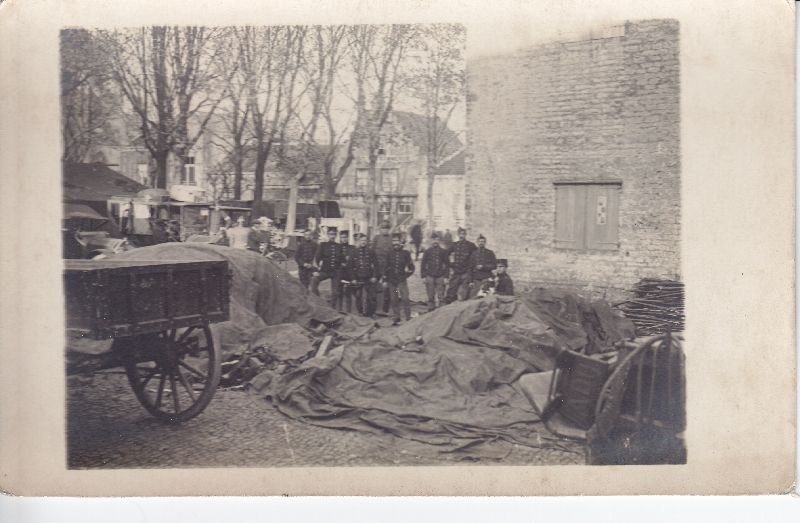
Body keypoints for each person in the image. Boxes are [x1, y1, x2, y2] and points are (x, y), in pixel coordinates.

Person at [383, 232, 415, 324]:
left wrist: (405, 276)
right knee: (394, 298)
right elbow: (386, 267)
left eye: (397, 241)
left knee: (405, 298)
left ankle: (408, 317)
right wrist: (385, 279)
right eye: (393, 241)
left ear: (401, 241)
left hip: (401, 281)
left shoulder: (406, 253)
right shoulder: (390, 253)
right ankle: (397, 317)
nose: (395, 243)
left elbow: (411, 268)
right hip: (393, 282)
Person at [348, 233, 379, 317]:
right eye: (362, 240)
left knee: (372, 297)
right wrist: (353, 278)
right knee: (358, 296)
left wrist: (374, 276)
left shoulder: (371, 252)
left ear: (367, 241)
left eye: (365, 240)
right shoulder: (354, 252)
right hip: (358, 278)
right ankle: (360, 312)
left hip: (369, 278)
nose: (363, 242)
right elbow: (350, 267)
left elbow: (376, 265)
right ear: (358, 241)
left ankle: (371, 313)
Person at [311, 227, 343, 307]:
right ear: (328, 235)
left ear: (336, 235)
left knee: (335, 292)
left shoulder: (339, 246)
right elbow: (316, 259)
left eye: (334, 234)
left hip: (336, 273)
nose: (332, 236)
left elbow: (342, 261)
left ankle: (332, 308)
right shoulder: (323, 245)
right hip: (325, 271)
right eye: (331, 234)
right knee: (314, 280)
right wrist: (315, 270)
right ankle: (319, 302)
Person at [444, 227, 477, 303]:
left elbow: (476, 256)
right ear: (458, 235)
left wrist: (471, 267)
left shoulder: (470, 245)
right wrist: (451, 264)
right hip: (456, 272)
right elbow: (446, 254)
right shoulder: (454, 245)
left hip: (466, 272)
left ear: (465, 235)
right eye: (460, 234)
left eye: (463, 234)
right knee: (451, 291)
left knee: (464, 294)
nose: (462, 235)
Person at [420, 232, 449, 311]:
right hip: (430, 275)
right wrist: (423, 276)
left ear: (439, 240)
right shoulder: (427, 251)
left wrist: (446, 277)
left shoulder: (443, 251)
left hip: (440, 275)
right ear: (431, 240)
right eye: (433, 239)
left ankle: (441, 312)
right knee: (430, 295)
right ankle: (431, 310)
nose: (435, 241)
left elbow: (447, 265)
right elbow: (423, 264)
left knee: (441, 296)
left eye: (436, 239)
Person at [371, 220, 394, 315]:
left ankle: (386, 308)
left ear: (388, 230)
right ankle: (373, 308)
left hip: (387, 267)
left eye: (386, 229)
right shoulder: (376, 238)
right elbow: (371, 251)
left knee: (388, 287)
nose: (385, 230)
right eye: (383, 228)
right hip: (377, 266)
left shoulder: (392, 239)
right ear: (380, 229)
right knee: (374, 286)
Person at [468, 234, 497, 298]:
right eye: (480, 241)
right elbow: (470, 268)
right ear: (477, 242)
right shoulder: (474, 254)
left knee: (485, 297)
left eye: (483, 241)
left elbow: (494, 265)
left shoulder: (490, 253)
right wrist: (470, 281)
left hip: (486, 278)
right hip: (476, 279)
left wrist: (483, 267)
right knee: (474, 297)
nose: (481, 243)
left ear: (485, 243)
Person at [336, 229, 355, 313]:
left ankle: (348, 311)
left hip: (348, 273)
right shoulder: (336, 247)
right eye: (342, 237)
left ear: (348, 238)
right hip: (338, 273)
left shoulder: (352, 248)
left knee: (348, 293)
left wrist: (349, 260)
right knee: (338, 292)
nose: (344, 239)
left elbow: (354, 260)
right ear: (340, 238)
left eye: (345, 237)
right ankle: (339, 310)